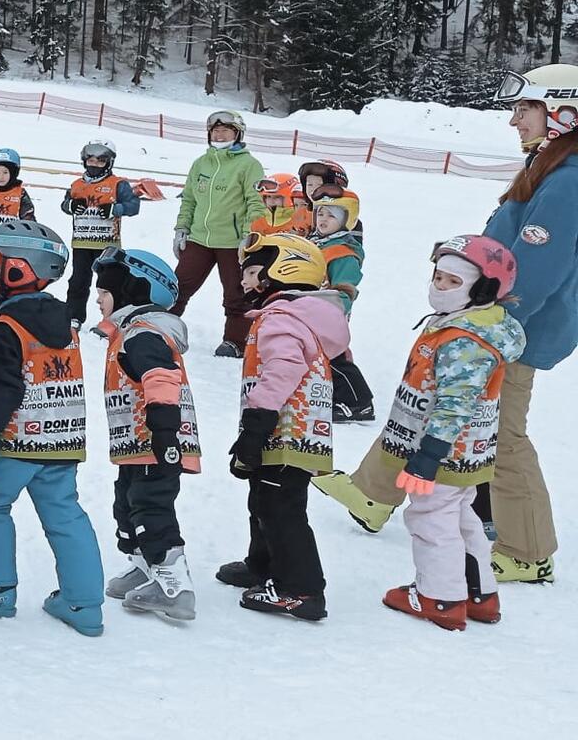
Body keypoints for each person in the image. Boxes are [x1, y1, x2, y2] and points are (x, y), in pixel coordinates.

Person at [361, 237, 523, 630]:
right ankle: (479, 594)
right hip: (464, 452)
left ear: (482, 289)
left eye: (454, 282)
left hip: (444, 451)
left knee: (431, 517)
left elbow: (455, 404)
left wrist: (429, 455)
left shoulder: (465, 340)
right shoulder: (468, 324)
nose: (440, 287)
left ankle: (440, 598)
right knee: (460, 515)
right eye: (438, 277)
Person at [0, 220, 105, 637]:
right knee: (65, 515)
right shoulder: (65, 322)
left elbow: (5, 389)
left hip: (15, 441)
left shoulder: (6, 326)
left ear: (17, 271)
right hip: (62, 441)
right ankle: (84, 605)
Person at [476, 64, 578, 583]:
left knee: (504, 435)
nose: (515, 121)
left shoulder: (568, 180)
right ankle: (476, 511)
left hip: (515, 329)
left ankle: (528, 551)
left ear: (563, 113)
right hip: (500, 320)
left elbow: (537, 267)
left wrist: (498, 322)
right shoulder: (550, 168)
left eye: (525, 109)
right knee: (475, 422)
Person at [218, 233, 348, 621]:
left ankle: (301, 589)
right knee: (263, 498)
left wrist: (256, 424)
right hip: (292, 432)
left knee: (281, 508)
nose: (244, 281)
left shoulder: (281, 319)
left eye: (252, 272)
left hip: (285, 429)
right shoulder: (296, 318)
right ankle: (263, 564)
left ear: (282, 271)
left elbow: (284, 369)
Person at [92, 249, 200, 622]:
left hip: (157, 441)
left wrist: (165, 431)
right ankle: (145, 565)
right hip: (138, 444)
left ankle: (175, 586)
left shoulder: (143, 335)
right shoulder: (128, 332)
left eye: (104, 292)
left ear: (132, 291)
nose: (98, 299)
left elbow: (161, 378)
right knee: (126, 503)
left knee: (151, 508)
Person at [172, 110, 268, 358]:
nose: (219, 135)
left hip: (232, 242)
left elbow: (256, 203)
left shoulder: (249, 165)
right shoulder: (201, 163)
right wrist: (182, 228)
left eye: (225, 130)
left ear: (238, 134)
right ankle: (162, 329)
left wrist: (249, 235)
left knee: (237, 293)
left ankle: (235, 341)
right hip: (199, 239)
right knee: (177, 286)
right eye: (215, 130)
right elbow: (189, 199)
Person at [62, 140, 142, 333]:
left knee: (110, 283)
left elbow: (134, 206)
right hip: (81, 243)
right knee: (78, 281)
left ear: (109, 162)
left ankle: (113, 319)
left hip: (107, 244)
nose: (95, 165)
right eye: (91, 160)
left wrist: (116, 209)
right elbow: (65, 203)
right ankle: (74, 316)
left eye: (100, 161)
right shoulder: (77, 185)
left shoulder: (118, 184)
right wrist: (71, 205)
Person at [311, 194, 373, 422]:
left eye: (331, 216)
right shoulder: (317, 242)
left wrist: (335, 310)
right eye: (320, 213)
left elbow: (346, 287)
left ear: (346, 220)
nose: (323, 219)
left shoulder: (343, 252)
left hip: (329, 311)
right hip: (310, 308)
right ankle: (329, 392)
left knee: (334, 356)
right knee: (316, 353)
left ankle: (359, 403)